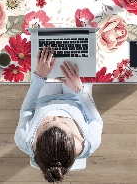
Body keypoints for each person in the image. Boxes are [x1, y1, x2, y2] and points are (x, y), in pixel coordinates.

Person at [14, 45, 103, 182]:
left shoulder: (24, 140)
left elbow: (27, 110)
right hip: (76, 99)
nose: (55, 116)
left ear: (36, 142)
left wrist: (39, 77)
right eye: (63, 123)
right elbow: (95, 120)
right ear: (74, 140)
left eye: (47, 124)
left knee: (44, 59)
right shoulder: (90, 142)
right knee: (84, 53)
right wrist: (79, 89)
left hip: (44, 99)